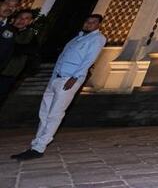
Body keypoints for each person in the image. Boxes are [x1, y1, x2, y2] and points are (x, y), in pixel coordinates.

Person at [11, 14, 106, 161]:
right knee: (44, 112)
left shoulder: (97, 39)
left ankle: (39, 147)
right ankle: (35, 143)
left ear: (98, 25)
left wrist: (74, 78)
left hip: (69, 80)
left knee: (55, 113)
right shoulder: (77, 38)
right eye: (87, 21)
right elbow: (63, 57)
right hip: (56, 78)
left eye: (93, 22)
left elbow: (89, 60)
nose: (89, 24)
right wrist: (53, 76)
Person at [0, 9, 40, 102]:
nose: (22, 20)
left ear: (30, 22)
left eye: (26, 18)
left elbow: (29, 51)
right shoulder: (4, 29)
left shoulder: (31, 37)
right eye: (20, 17)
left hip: (8, 75)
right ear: (14, 18)